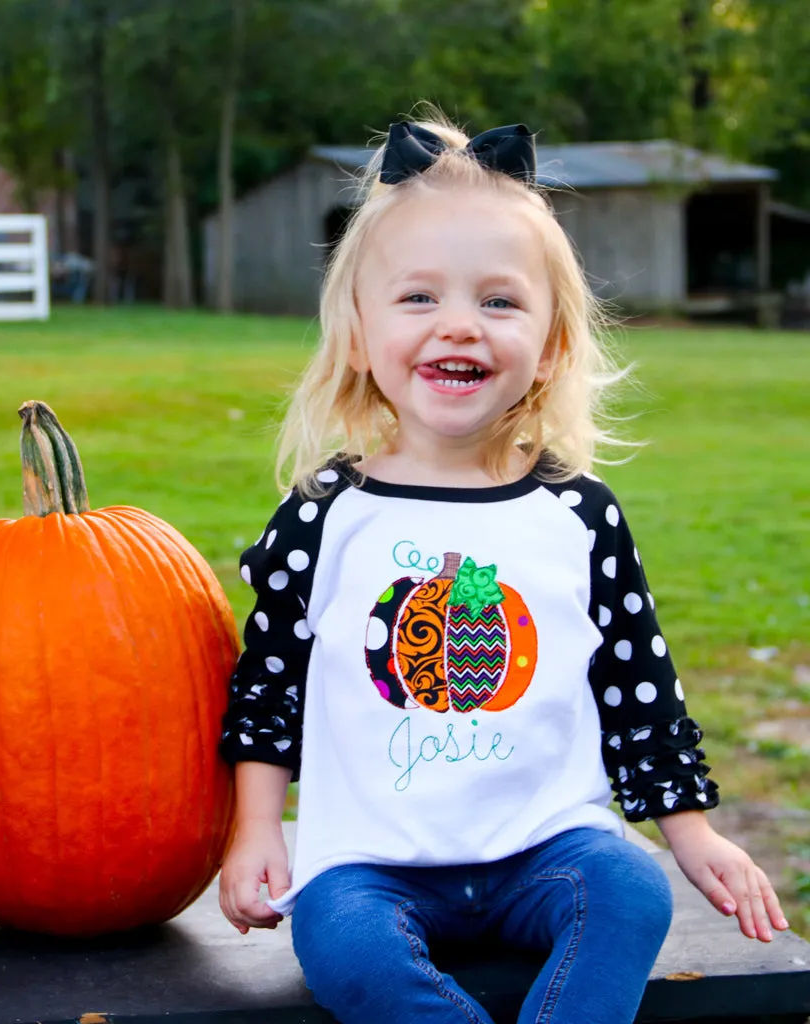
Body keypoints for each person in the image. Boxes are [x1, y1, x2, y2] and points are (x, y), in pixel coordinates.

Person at [217, 112, 788, 1024]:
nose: (460, 327)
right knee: (344, 949)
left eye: (498, 301)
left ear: (552, 342)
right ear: (358, 334)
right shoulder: (326, 516)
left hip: (545, 851)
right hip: (371, 863)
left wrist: (692, 831)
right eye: (419, 299)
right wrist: (253, 830)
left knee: (632, 894)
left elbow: (637, 684)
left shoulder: (576, 513)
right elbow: (267, 688)